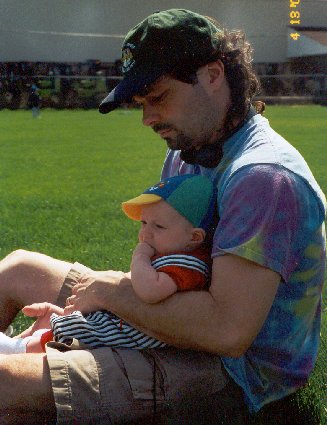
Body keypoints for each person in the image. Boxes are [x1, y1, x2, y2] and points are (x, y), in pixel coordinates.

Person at [0, 8, 325, 425]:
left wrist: (113, 294)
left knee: (7, 387)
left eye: (158, 98)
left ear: (212, 75)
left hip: (233, 377)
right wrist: (96, 315)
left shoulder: (263, 176)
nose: (147, 118)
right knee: (18, 269)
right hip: (170, 327)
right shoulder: (186, 154)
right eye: (141, 103)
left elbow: (227, 333)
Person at [0, 174, 214, 353]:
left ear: (195, 237)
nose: (145, 234)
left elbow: (150, 291)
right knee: (59, 330)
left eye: (158, 226)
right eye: (144, 223)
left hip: (129, 338)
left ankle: (17, 349)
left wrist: (140, 257)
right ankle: (27, 341)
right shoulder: (171, 255)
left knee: (54, 342)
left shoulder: (187, 262)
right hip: (123, 325)